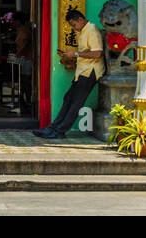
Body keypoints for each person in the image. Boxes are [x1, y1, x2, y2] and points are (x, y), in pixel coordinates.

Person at [33, 8, 103, 140]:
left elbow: (97, 53)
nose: (73, 28)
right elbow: (86, 52)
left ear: (80, 20)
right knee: (68, 98)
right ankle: (53, 128)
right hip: (82, 71)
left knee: (76, 102)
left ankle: (59, 131)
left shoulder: (92, 30)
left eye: (74, 25)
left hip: (90, 72)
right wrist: (69, 55)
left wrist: (75, 54)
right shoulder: (83, 31)